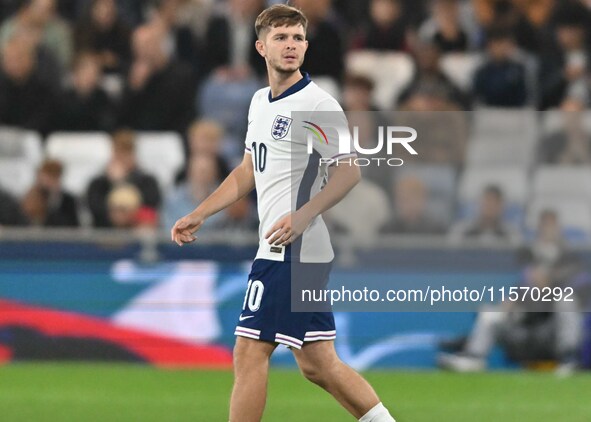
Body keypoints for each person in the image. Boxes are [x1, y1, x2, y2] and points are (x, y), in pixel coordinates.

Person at [171, 5, 396, 422]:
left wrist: (304, 215)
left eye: (297, 38)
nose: (290, 45)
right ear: (261, 46)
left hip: (293, 248)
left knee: (250, 350)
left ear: (307, 46)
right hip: (285, 246)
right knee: (319, 365)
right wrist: (200, 212)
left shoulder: (317, 104)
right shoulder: (260, 102)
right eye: (281, 38)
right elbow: (246, 171)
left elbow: (349, 172)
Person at [439, 210, 584, 373]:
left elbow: (576, 289)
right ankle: (473, 357)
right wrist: (509, 306)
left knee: (566, 301)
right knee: (491, 315)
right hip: (526, 330)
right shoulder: (528, 260)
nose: (548, 231)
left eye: (551, 226)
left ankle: (568, 359)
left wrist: (549, 283)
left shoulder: (570, 260)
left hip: (550, 330)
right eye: (544, 226)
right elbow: (519, 297)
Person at [87, 130, 161, 227]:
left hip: (136, 234)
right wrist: (115, 184)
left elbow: (150, 209)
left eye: (127, 152)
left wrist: (123, 182)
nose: (122, 157)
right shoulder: (98, 184)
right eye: (119, 152)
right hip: (105, 236)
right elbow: (96, 212)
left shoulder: (148, 182)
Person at [21, 159, 79, 227]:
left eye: (54, 176)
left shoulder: (68, 200)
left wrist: (54, 198)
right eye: (48, 176)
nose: (49, 181)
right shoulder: (30, 198)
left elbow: (72, 225)